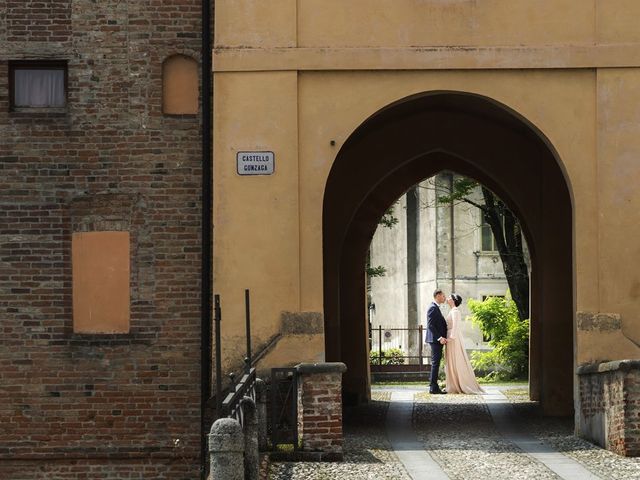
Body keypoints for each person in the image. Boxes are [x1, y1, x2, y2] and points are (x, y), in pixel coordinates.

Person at [444, 293, 485, 394]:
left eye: (449, 297)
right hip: (451, 338)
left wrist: (450, 338)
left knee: (456, 359)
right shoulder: (452, 311)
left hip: (453, 339)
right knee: (452, 360)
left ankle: (461, 383)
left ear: (453, 300)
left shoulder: (455, 311)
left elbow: (456, 326)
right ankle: (453, 384)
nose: (447, 298)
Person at [426, 289, 448, 394]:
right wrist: (440, 338)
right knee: (435, 363)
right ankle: (433, 387)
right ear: (438, 295)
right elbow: (430, 325)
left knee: (436, 363)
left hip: (437, 340)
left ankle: (433, 386)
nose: (444, 298)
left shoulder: (436, 308)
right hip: (435, 340)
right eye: (443, 296)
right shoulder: (432, 308)